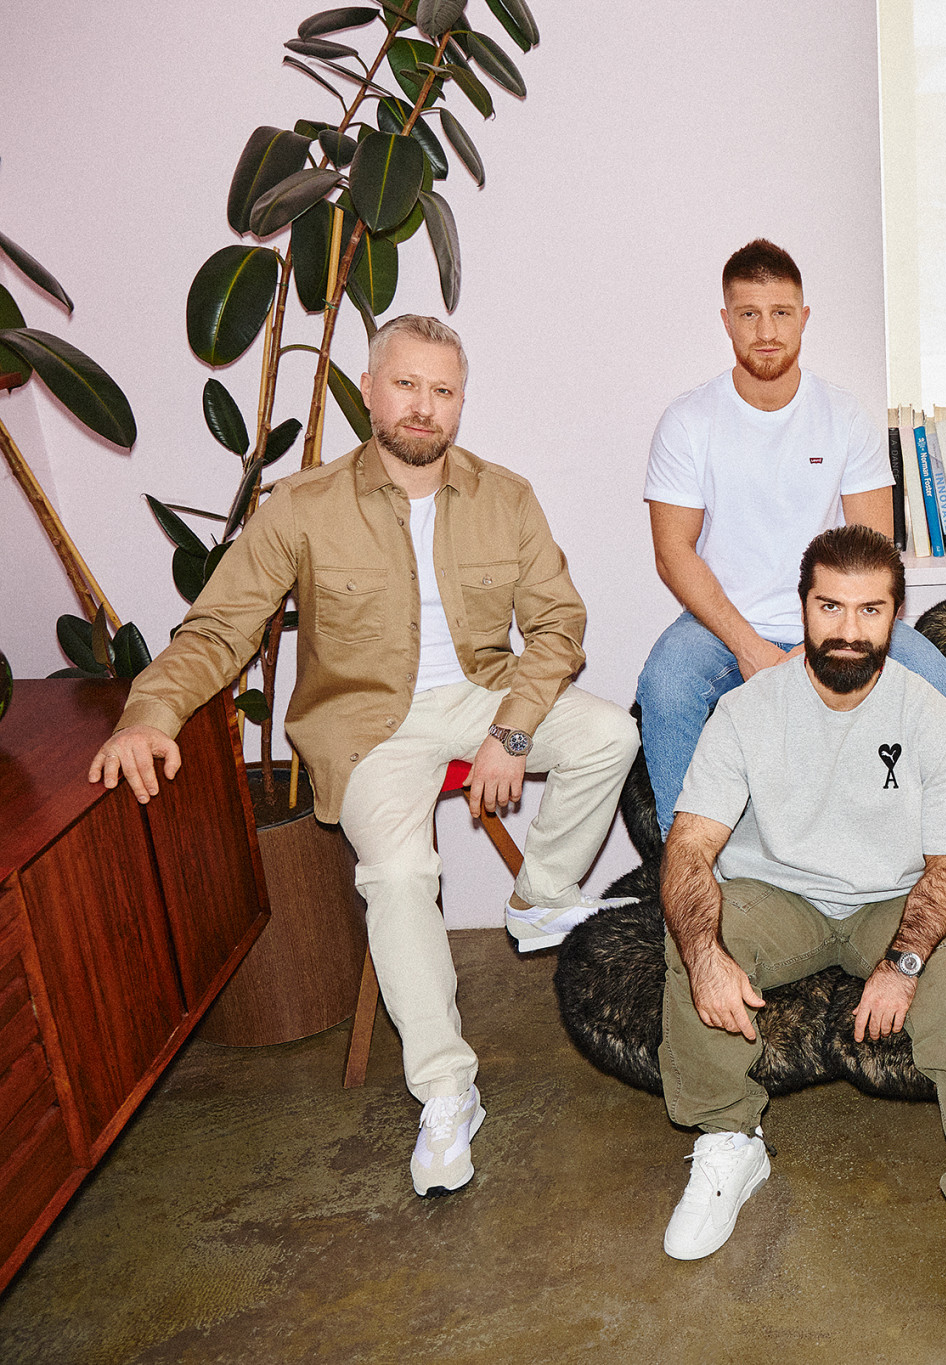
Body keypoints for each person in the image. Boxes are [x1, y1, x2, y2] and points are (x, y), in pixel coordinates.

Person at [88, 315, 638, 1198]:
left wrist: (510, 731)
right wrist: (149, 712)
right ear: (372, 389)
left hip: (482, 693)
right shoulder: (302, 505)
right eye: (406, 385)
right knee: (399, 874)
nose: (424, 406)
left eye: (443, 390)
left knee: (611, 733)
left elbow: (557, 626)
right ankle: (447, 1092)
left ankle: (539, 896)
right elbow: (221, 627)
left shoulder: (505, 496)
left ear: (460, 401)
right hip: (369, 724)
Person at [656, 525, 946, 1312]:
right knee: (693, 932)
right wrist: (705, 954)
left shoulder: (933, 718)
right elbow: (689, 845)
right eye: (830, 606)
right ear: (803, 607)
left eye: (870, 610)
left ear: (896, 615)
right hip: (779, 894)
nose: (849, 630)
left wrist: (905, 963)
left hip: (890, 899)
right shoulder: (745, 711)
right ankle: (728, 1140)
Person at [637, 239, 946, 835]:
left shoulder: (845, 416)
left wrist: (821, 643)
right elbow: (672, 553)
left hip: (833, 616)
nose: (766, 331)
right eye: (749, 314)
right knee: (665, 685)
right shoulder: (688, 421)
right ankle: (686, 863)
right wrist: (749, 648)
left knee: (934, 677)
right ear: (726, 320)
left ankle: (888, 844)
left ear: (804, 318)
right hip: (721, 622)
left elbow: (873, 555)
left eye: (781, 313)